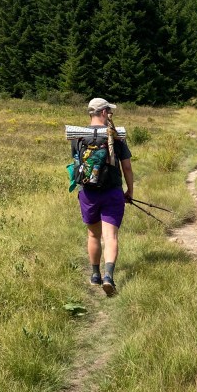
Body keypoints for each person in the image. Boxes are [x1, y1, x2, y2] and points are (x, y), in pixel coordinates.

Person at [77, 97, 134, 296]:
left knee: (93, 235)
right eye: (109, 111)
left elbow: (78, 163)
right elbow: (127, 167)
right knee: (110, 236)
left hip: (88, 193)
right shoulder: (116, 136)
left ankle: (95, 275)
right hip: (112, 192)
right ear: (103, 113)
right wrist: (130, 191)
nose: (111, 115)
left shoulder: (78, 136)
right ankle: (108, 276)